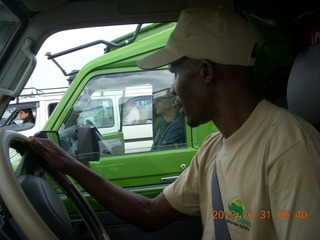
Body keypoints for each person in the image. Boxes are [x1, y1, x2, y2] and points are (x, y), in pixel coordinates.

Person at [30, 7, 320, 239]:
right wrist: (69, 165)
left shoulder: (290, 145)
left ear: (205, 72)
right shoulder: (214, 148)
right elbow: (151, 214)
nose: (171, 90)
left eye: (175, 73)